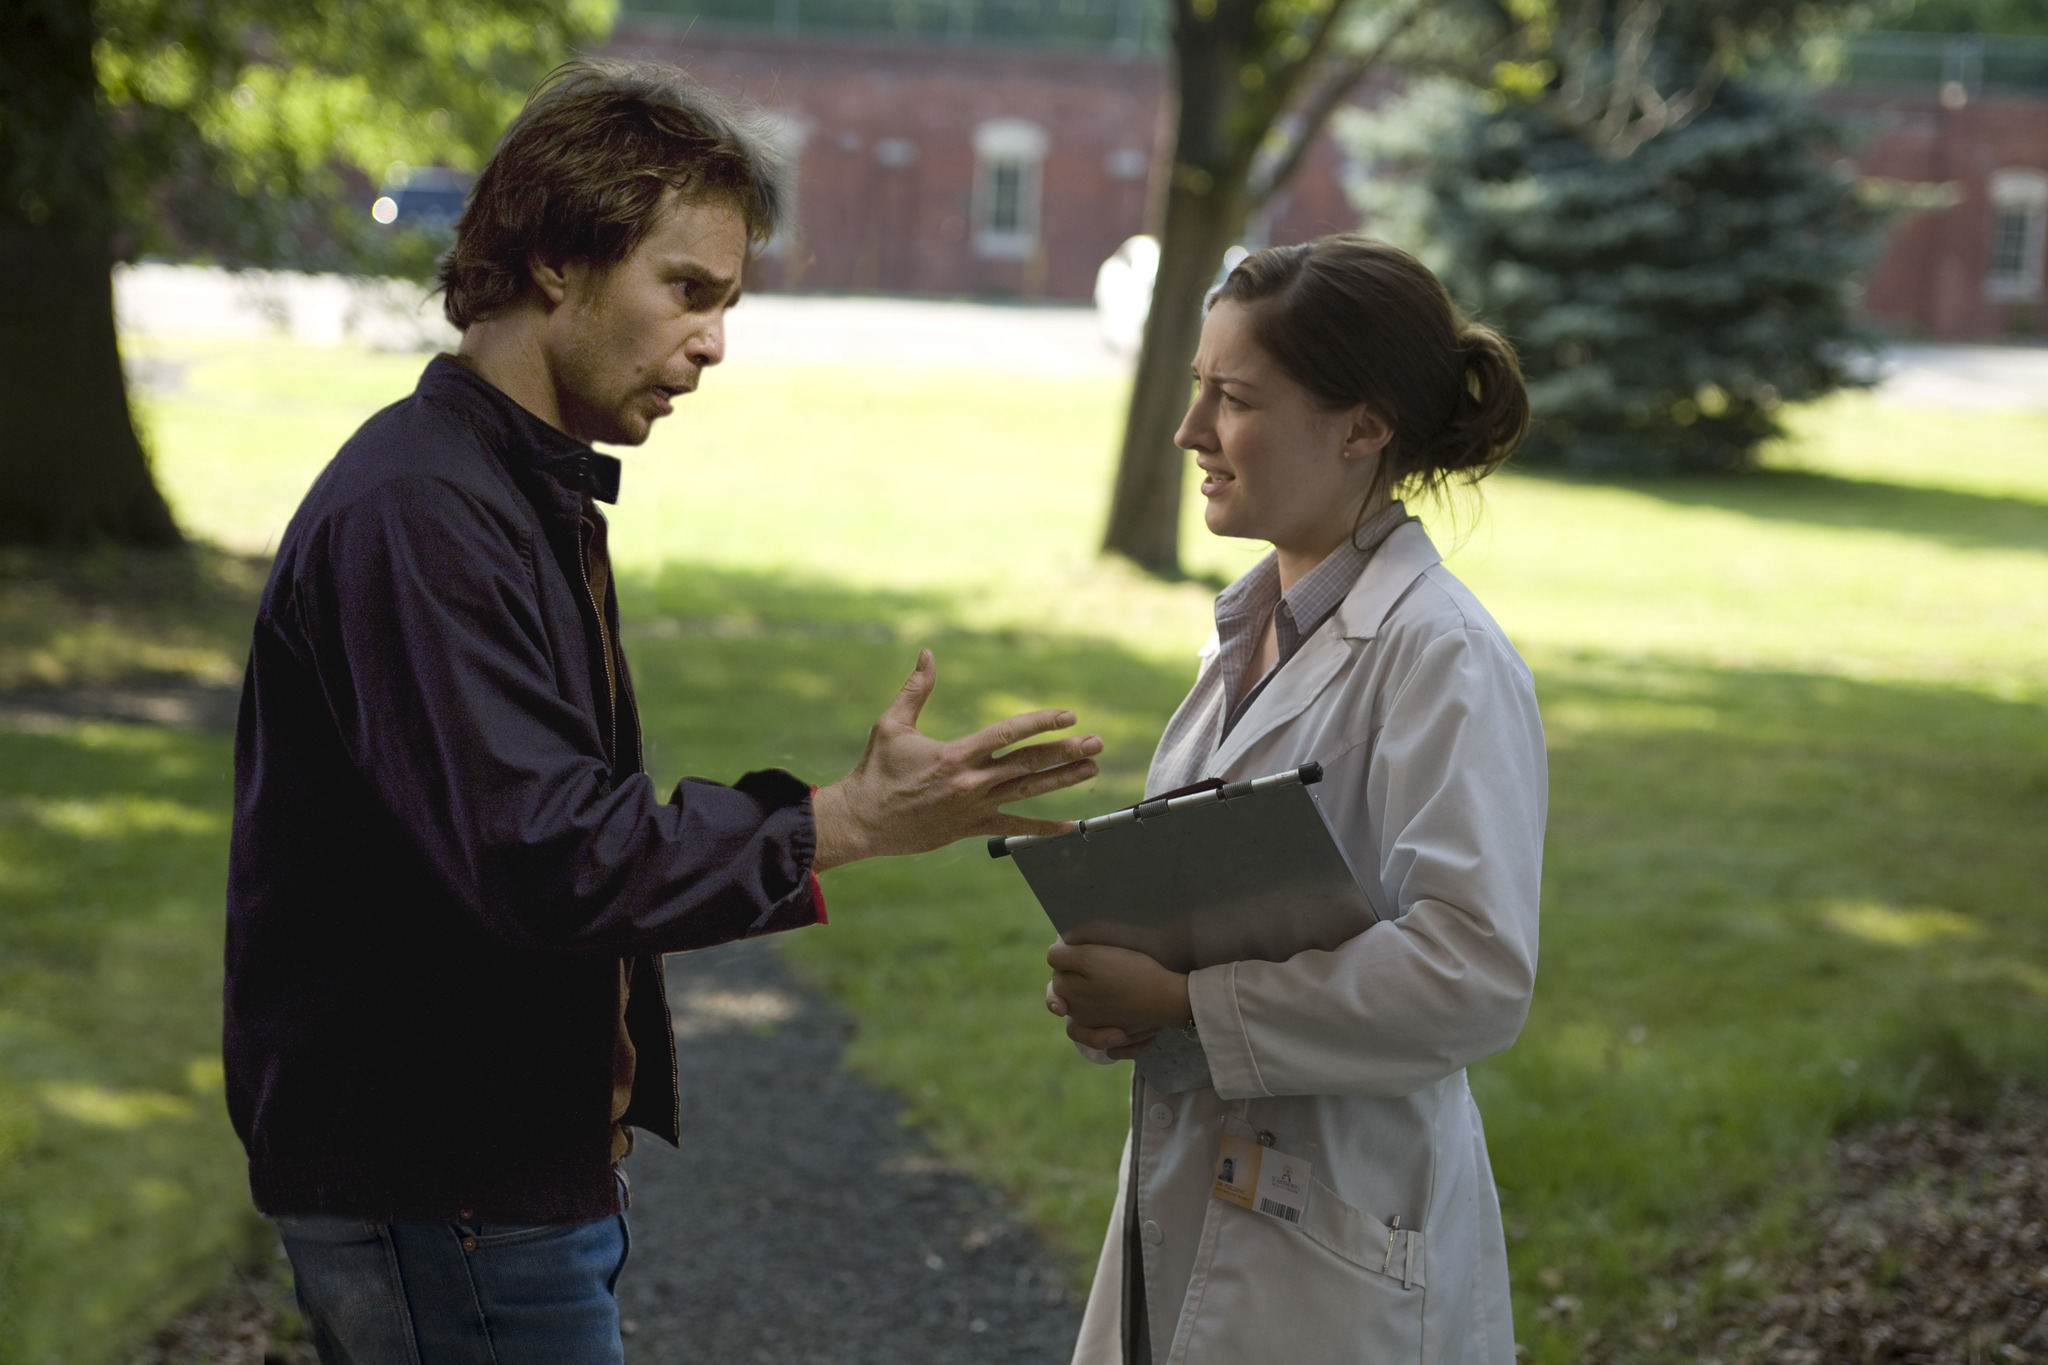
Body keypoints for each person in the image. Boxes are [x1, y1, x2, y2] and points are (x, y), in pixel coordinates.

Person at [224, 59, 1103, 1365]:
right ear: (554, 263)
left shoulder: (510, 489)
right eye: (687, 290)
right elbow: (550, 854)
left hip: (490, 1180)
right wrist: (836, 822)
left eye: (728, 301)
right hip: (441, 1186)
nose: (715, 342)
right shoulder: (422, 512)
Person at [1044, 235, 1547, 1362]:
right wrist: (1120, 992)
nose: (1189, 434)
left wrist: (1184, 1003)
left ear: (1362, 428)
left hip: (1341, 1238)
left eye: (1233, 400)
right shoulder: (1251, 627)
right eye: (1195, 392)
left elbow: (1474, 978)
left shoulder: (1442, 656)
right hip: (1208, 1195)